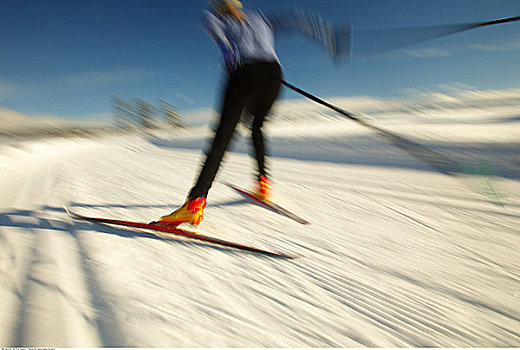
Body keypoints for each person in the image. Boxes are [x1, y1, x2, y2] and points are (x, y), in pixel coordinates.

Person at [154, 0, 347, 227]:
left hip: (246, 74)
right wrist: (327, 35)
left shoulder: (218, 19)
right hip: (273, 76)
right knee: (256, 126)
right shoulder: (261, 18)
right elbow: (296, 18)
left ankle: (194, 204)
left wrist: (228, 54)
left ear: (219, 7)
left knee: (223, 136)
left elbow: (214, 30)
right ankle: (263, 183)